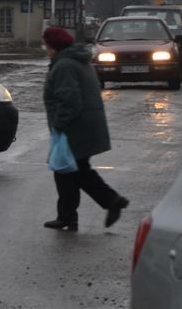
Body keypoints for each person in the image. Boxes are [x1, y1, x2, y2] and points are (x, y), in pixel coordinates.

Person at [42, 26, 129, 232]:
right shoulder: (76, 60)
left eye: (45, 44)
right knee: (75, 171)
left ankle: (107, 202)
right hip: (85, 125)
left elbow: (70, 101)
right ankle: (72, 216)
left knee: (66, 171)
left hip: (76, 127)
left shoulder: (64, 65)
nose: (44, 49)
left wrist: (59, 124)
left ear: (53, 46)